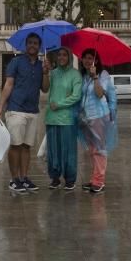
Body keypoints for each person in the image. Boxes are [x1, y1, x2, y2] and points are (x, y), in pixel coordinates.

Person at [0, 32, 50, 193]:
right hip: (15, 109)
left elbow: (45, 88)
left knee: (26, 147)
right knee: (15, 145)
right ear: (26, 45)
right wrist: (0, 106)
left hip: (33, 111)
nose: (32, 45)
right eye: (30, 43)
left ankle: (24, 178)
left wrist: (46, 73)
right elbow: (8, 85)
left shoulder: (41, 65)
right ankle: (14, 179)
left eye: (35, 43)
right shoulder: (16, 62)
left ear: (39, 47)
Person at [78, 48, 117, 194]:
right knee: (92, 150)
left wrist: (95, 78)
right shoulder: (84, 76)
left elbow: (100, 94)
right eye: (85, 58)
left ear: (96, 61)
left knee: (100, 150)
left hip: (99, 116)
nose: (87, 61)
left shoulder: (103, 75)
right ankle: (94, 178)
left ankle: (99, 180)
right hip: (86, 118)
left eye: (90, 58)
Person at [44, 47, 82, 191]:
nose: (61, 57)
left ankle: (70, 179)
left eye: (64, 55)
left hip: (67, 118)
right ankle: (54, 177)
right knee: (53, 150)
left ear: (69, 57)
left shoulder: (75, 75)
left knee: (68, 150)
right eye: (59, 55)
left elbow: (76, 96)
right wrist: (45, 73)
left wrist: (59, 104)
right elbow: (45, 88)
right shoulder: (53, 73)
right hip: (51, 118)